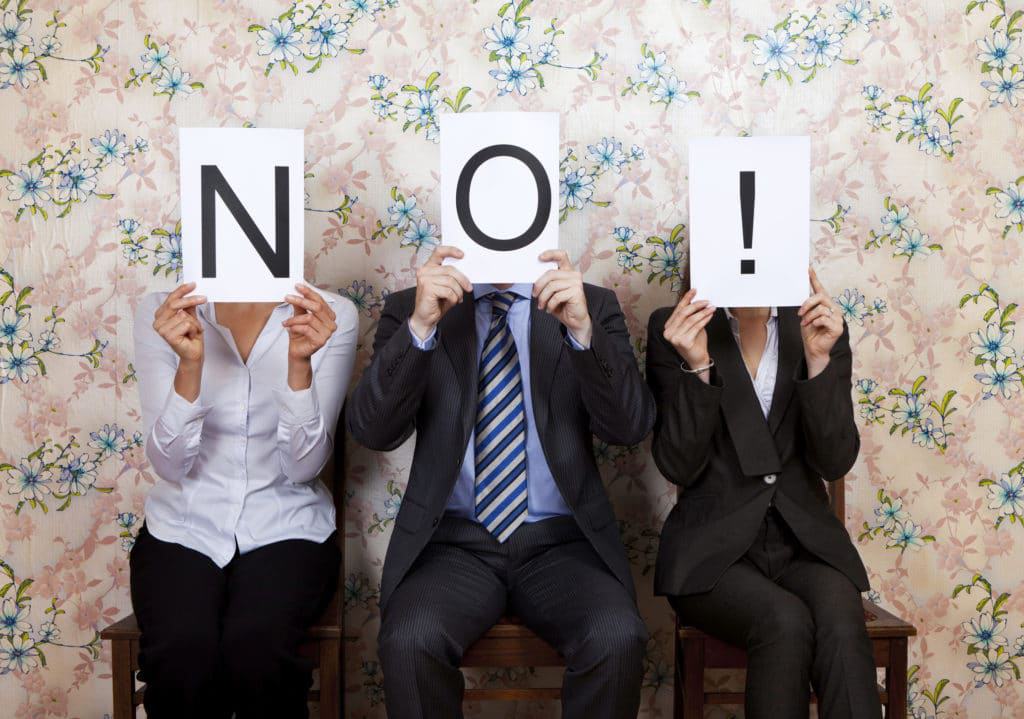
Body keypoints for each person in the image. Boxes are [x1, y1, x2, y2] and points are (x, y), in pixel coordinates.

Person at [348, 245, 655, 718]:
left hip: (562, 542)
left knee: (617, 636)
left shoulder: (590, 304)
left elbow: (629, 428)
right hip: (453, 544)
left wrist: (582, 331)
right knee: (410, 640)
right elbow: (373, 430)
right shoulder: (412, 307)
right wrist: (421, 328)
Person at [646, 270, 881, 719]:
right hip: (712, 554)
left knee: (840, 619)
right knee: (785, 621)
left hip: (804, 545)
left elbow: (834, 462)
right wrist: (697, 365)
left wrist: (819, 362)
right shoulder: (675, 326)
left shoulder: (817, 325)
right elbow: (677, 464)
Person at [130, 281, 357, 719]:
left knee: (258, 650)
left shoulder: (331, 313)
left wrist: (299, 366)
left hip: (288, 524)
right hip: (183, 526)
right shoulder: (162, 309)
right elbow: (170, 466)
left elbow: (303, 468)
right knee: (182, 654)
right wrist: (189, 366)